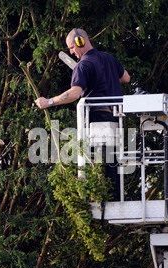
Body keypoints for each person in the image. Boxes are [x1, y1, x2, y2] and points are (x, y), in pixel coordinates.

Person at [35, 28, 130, 200]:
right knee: (112, 162)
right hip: (116, 118)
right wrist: (105, 77)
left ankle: (104, 200)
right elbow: (126, 78)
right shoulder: (108, 58)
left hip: (98, 117)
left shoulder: (83, 65)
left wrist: (48, 102)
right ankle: (113, 198)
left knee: (96, 161)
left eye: (72, 47)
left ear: (80, 42)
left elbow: (74, 94)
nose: (71, 52)